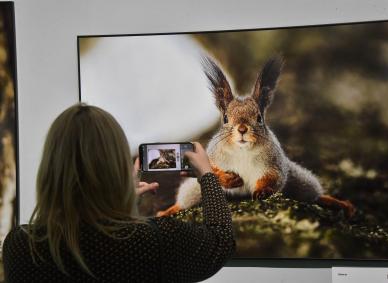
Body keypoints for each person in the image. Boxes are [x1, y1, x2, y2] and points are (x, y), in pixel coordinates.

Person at [2, 103, 235, 282]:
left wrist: (121, 202)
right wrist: (207, 176)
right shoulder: (156, 240)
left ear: (51, 169)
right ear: (118, 167)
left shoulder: (21, 247)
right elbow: (221, 240)